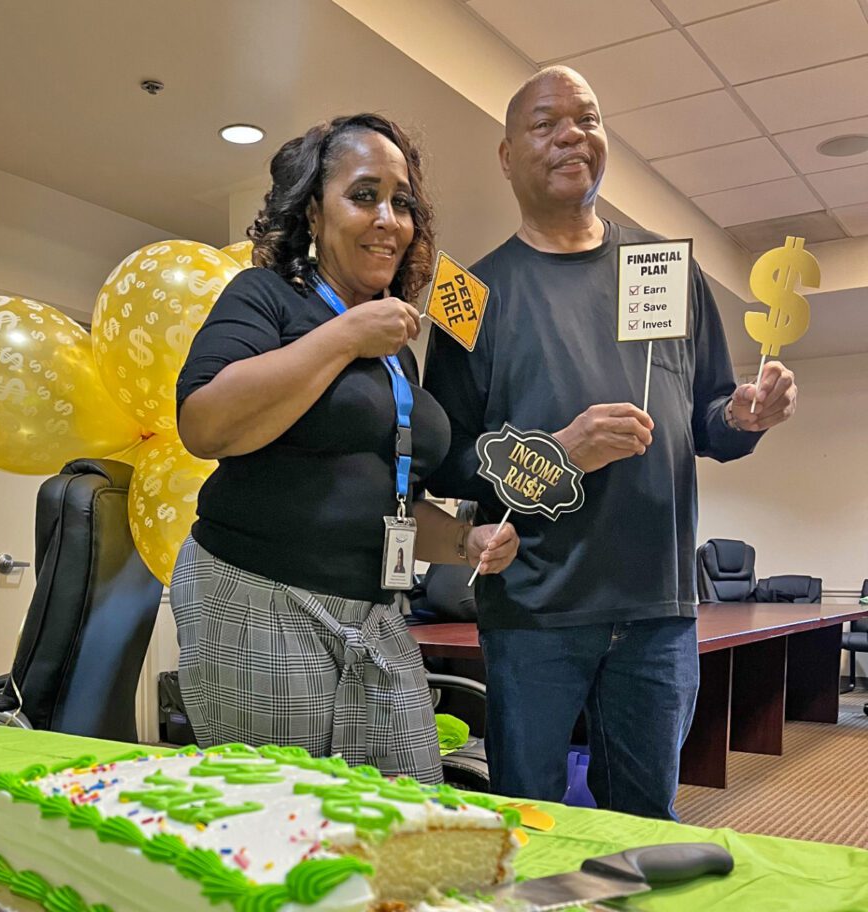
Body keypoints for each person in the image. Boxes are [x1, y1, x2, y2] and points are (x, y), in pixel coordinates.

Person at [423, 67, 797, 817]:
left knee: (646, 821)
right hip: (532, 611)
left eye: (588, 119)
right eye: (545, 123)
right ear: (505, 156)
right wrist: (556, 450)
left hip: (657, 607)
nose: (571, 135)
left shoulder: (666, 268)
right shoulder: (464, 295)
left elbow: (708, 418)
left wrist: (745, 417)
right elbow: (447, 458)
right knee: (529, 818)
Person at [170, 113, 518, 784]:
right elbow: (205, 423)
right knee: (284, 828)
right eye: (364, 195)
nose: (389, 218)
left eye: (403, 201)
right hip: (259, 599)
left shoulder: (397, 357)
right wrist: (345, 335)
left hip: (375, 609)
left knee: (413, 808)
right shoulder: (267, 297)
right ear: (312, 212)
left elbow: (391, 502)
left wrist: (465, 544)